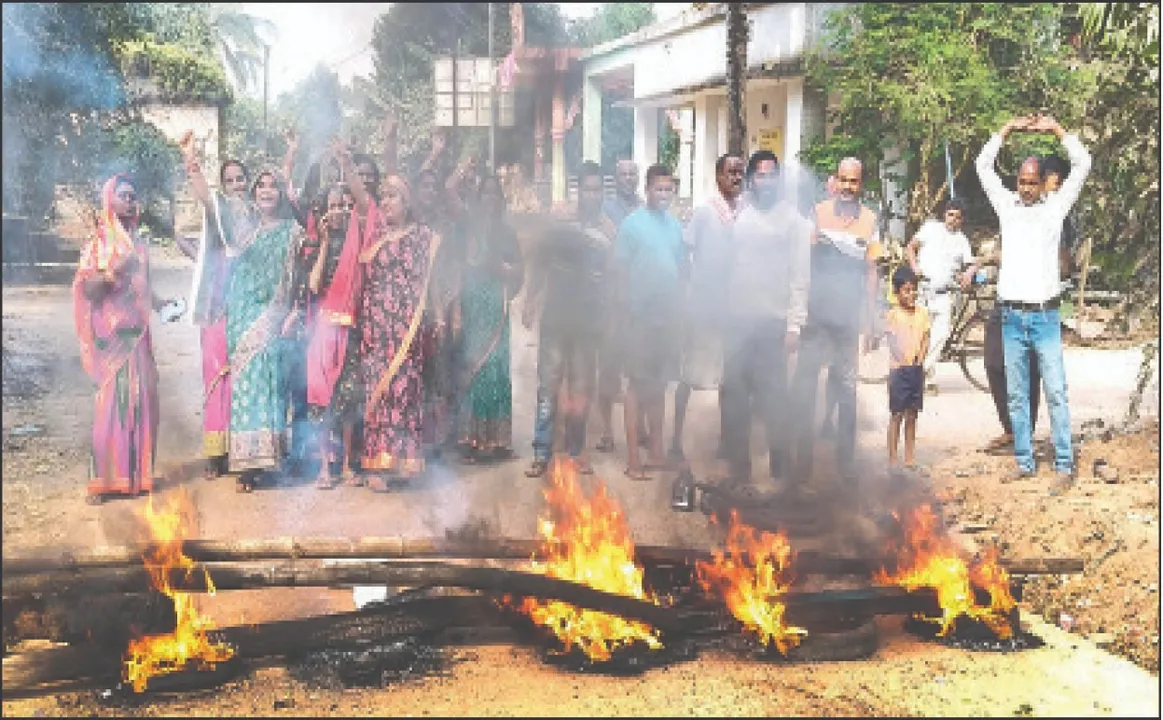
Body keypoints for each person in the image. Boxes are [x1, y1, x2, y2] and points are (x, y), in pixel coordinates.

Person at [181, 134, 306, 493]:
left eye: (273, 186)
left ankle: (266, 460)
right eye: (261, 186)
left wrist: (293, 312)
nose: (267, 190)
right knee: (246, 388)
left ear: (282, 192)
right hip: (240, 315)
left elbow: (298, 279)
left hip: (272, 315)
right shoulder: (243, 227)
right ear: (253, 193)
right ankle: (247, 467)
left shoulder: (293, 232)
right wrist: (191, 161)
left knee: (270, 387)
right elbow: (209, 199)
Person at [975, 114, 1091, 492]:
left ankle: (1063, 464)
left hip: (1044, 316)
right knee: (1018, 394)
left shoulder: (1055, 208)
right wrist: (1007, 128)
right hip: (1011, 317)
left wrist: (1056, 130)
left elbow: (1083, 163)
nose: (1026, 189)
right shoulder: (1006, 207)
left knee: (1056, 390)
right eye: (1021, 182)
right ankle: (1024, 462)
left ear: (1043, 184)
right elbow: (982, 164)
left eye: (1032, 183)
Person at [338, 141, 440, 491]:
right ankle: (377, 467)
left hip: (406, 328)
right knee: (377, 393)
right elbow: (361, 198)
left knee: (405, 390)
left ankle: (404, 462)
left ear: (407, 202)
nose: (385, 202)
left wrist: (438, 315)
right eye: (383, 197)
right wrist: (348, 166)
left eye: (393, 197)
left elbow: (433, 282)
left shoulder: (422, 236)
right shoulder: (376, 233)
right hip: (375, 327)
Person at [73, 174, 168, 504]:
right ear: (109, 201)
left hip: (138, 336)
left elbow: (146, 286)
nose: (130, 201)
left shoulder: (140, 246)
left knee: (140, 405)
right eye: (124, 195)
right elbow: (88, 289)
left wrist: (163, 304)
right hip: (110, 339)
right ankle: (102, 481)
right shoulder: (99, 243)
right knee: (111, 407)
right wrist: (114, 272)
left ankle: (134, 479)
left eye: (133, 196)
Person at [720, 150, 811, 484]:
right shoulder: (740, 213)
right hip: (738, 321)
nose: (766, 181)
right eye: (760, 175)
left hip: (773, 323)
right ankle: (738, 470)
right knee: (734, 399)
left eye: (772, 175)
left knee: (774, 400)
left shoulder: (794, 221)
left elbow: (800, 277)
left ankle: (780, 470)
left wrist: (794, 325)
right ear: (752, 180)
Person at [791, 157, 883, 483]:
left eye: (853, 181)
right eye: (843, 180)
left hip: (846, 320)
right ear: (836, 181)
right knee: (804, 388)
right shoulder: (817, 213)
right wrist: (797, 315)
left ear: (861, 185)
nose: (847, 187)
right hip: (815, 319)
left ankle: (845, 466)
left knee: (846, 391)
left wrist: (870, 319)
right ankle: (801, 463)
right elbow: (803, 264)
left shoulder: (871, 220)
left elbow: (871, 272)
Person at [523, 161, 610, 477]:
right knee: (547, 386)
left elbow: (614, 276)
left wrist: (612, 315)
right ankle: (541, 451)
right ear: (579, 192)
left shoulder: (607, 230)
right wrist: (530, 299)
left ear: (602, 192)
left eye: (597, 189)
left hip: (588, 323)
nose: (592, 194)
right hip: (557, 318)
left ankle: (576, 450)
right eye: (587, 189)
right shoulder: (561, 224)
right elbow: (541, 262)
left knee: (582, 388)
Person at [670, 152, 745, 466]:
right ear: (718, 176)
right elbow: (683, 251)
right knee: (689, 375)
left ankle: (727, 441)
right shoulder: (704, 212)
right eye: (731, 172)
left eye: (741, 172)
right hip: (703, 306)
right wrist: (689, 291)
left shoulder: (747, 212)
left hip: (735, 309)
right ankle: (675, 440)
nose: (737, 178)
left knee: (730, 378)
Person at [177, 159, 248, 481]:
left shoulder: (260, 216)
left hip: (248, 310)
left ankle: (242, 449)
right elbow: (205, 196)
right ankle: (215, 453)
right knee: (217, 378)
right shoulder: (218, 213)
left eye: (240, 179)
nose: (236, 185)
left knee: (244, 381)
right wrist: (191, 162)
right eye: (229, 181)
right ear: (223, 186)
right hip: (216, 308)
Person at [614, 164, 686, 480]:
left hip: (666, 318)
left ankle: (656, 453)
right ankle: (633, 460)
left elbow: (681, 270)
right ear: (647, 190)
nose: (664, 195)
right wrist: (621, 313)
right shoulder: (632, 225)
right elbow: (619, 271)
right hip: (638, 317)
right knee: (637, 385)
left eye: (669, 189)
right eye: (658, 189)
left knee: (659, 385)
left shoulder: (675, 226)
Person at [456, 173, 523, 462]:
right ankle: (471, 440)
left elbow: (518, 271)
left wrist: (502, 269)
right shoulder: (469, 227)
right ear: (478, 197)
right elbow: (460, 267)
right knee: (475, 368)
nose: (491, 199)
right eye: (486, 193)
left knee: (496, 369)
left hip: (497, 304)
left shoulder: (507, 233)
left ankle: (498, 440)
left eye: (495, 194)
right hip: (473, 303)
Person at [303, 183, 365, 489]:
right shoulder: (315, 244)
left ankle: (346, 464)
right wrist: (325, 244)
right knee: (320, 399)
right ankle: (324, 468)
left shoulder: (359, 244)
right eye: (331, 205)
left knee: (349, 397)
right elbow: (314, 286)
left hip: (349, 329)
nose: (338, 210)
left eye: (343, 204)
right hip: (323, 331)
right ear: (322, 212)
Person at [594, 159, 643, 453]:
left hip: (639, 302)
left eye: (632, 174)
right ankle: (606, 432)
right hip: (612, 301)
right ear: (616, 178)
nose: (628, 178)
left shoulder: (644, 207)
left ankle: (641, 430)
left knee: (640, 369)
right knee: (609, 369)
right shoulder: (604, 211)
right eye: (623, 174)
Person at [904, 197, 977, 383]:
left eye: (957, 217)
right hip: (923, 291)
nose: (953, 219)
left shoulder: (962, 241)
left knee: (941, 335)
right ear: (944, 214)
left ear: (962, 220)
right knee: (920, 336)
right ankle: (926, 378)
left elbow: (970, 265)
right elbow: (910, 248)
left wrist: (967, 273)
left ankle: (920, 373)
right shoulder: (930, 229)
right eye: (950, 214)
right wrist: (915, 268)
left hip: (944, 294)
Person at [884, 266, 930, 470]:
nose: (911, 294)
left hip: (915, 370)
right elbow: (891, 340)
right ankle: (893, 458)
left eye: (913, 290)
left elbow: (926, 338)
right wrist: (902, 360)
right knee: (897, 415)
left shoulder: (922, 313)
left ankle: (909, 457)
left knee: (913, 413)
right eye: (906, 290)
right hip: (899, 371)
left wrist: (920, 358)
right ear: (897, 293)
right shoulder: (893, 315)